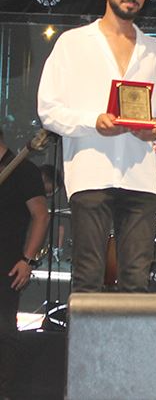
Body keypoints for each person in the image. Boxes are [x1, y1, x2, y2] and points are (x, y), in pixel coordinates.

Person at [37, 0, 156, 293]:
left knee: (136, 283)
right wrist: (92, 123)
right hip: (91, 173)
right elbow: (48, 110)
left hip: (140, 177)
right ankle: (85, 333)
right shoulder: (72, 44)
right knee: (87, 278)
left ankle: (130, 334)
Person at [0, 128, 49, 397]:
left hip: (7, 262)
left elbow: (41, 215)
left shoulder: (23, 169)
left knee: (4, 329)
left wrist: (27, 260)